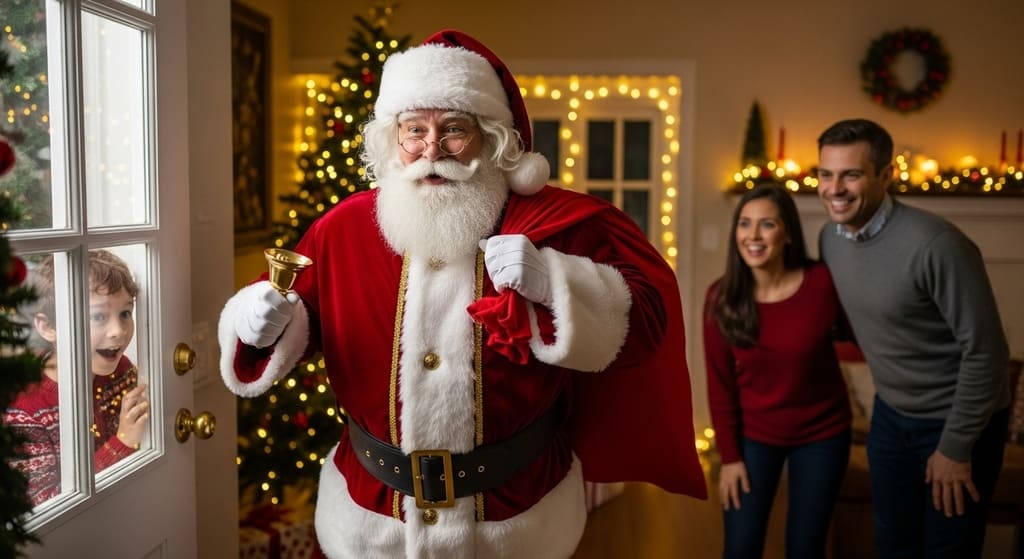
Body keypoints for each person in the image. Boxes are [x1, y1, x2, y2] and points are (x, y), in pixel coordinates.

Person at [218, 29, 706, 558]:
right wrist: (258, 322)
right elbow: (288, 312)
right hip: (372, 525)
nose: (431, 150)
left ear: (492, 138)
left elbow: (646, 325)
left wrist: (554, 283)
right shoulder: (340, 230)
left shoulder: (554, 228)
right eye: (413, 131)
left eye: (454, 129)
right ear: (392, 139)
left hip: (516, 525)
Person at [816, 118, 1010, 558]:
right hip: (891, 414)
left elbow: (987, 353)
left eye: (852, 174)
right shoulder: (831, 239)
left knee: (948, 549)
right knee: (892, 543)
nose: (834, 188)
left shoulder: (937, 245)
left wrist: (956, 447)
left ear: (887, 175)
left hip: (960, 420)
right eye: (826, 174)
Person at [703, 184, 851, 558]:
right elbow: (719, 387)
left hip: (822, 434)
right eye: (745, 224)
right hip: (755, 437)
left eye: (766, 224)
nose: (752, 236)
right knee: (740, 547)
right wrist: (731, 458)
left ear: (786, 234)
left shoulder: (822, 283)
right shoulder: (720, 299)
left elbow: (864, 337)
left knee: (805, 547)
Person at [4, 249, 149, 506]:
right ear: (49, 327)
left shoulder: (121, 370)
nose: (118, 331)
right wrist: (123, 442)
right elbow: (45, 505)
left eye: (125, 313)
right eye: (98, 316)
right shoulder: (25, 409)